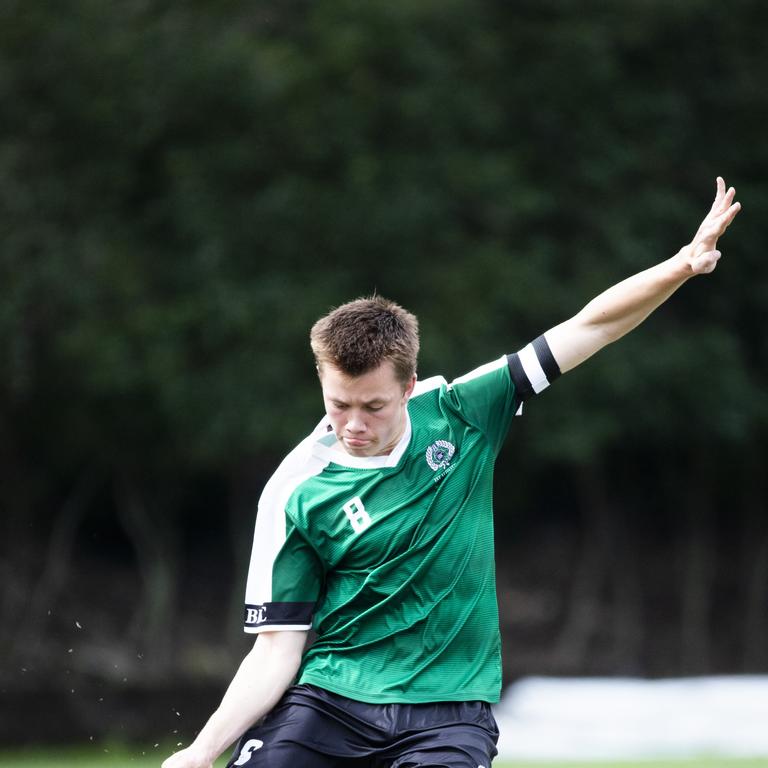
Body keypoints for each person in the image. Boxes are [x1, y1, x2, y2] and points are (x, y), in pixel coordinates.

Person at [161, 177, 740, 768]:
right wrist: (203, 751)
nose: (352, 423)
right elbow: (276, 650)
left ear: (409, 388)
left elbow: (589, 326)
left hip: (451, 713)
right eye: (339, 404)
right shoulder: (296, 490)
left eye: (374, 406)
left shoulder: (463, 412)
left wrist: (679, 267)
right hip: (331, 701)